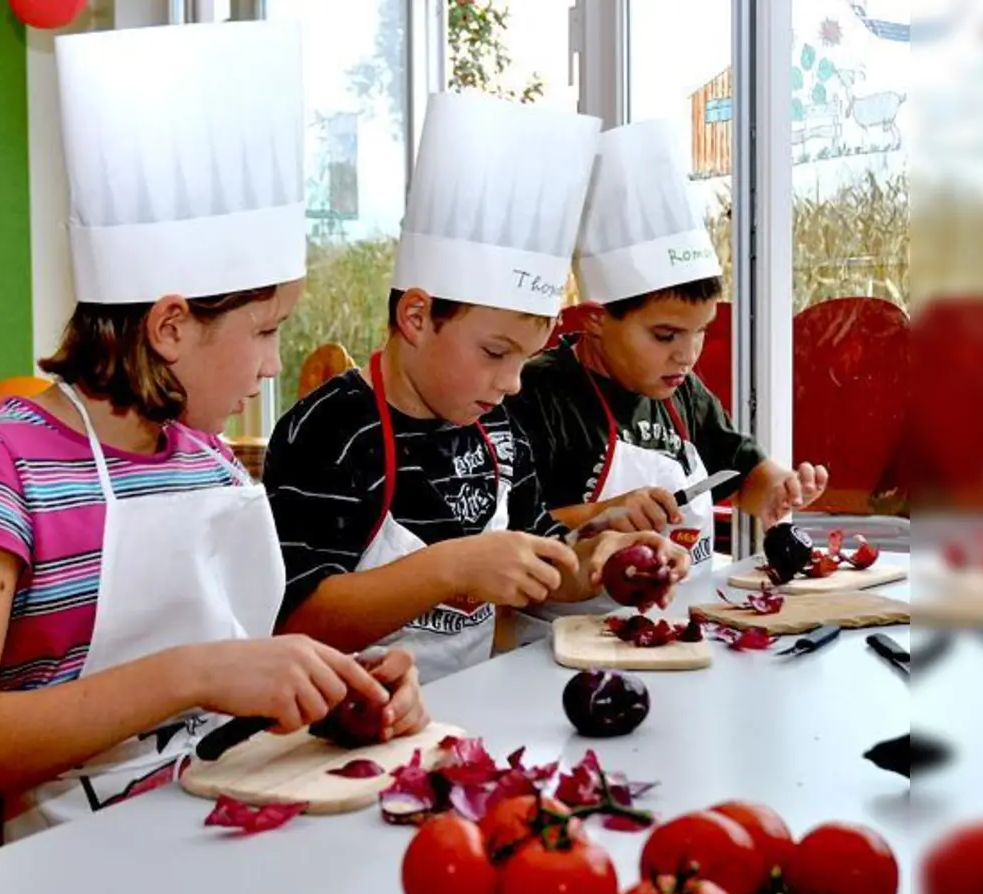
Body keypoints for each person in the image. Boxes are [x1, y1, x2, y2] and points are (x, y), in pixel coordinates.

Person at [0, 22, 426, 842]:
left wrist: (333, 690)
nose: (271, 365)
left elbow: (241, 668)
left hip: (226, 819)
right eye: (264, 330)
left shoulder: (211, 465)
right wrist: (194, 674)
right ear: (172, 326)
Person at [264, 93, 687, 682]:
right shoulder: (332, 431)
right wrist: (451, 569)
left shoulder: (495, 429)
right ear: (416, 317)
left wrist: (601, 560)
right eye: (494, 353)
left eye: (525, 359)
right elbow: (296, 623)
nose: (512, 384)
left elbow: (541, 561)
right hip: (338, 736)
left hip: (464, 719)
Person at [505, 119, 829, 637]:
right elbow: (515, 531)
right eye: (664, 335)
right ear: (593, 319)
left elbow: (741, 472)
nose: (687, 355)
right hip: (558, 641)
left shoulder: (683, 393)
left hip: (680, 625)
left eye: (699, 333)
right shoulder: (536, 394)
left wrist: (777, 490)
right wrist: (609, 512)